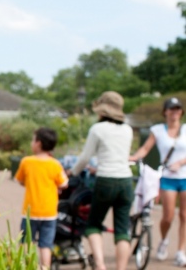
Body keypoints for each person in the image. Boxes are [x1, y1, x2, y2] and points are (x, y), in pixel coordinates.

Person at [69, 91, 133, 270]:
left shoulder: (98, 129)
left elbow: (85, 157)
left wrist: (72, 172)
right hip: (126, 181)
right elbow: (120, 157)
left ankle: (100, 265)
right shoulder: (127, 129)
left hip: (105, 181)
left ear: (102, 110)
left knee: (93, 225)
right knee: (122, 230)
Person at [130, 97, 186, 266]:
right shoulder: (158, 130)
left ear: (181, 112)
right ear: (165, 112)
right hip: (168, 177)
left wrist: (181, 162)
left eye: (177, 109)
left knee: (184, 215)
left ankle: (181, 251)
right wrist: (133, 157)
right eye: (171, 109)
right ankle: (164, 240)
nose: (174, 112)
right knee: (168, 216)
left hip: (184, 175)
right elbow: (146, 148)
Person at [15, 127, 68, 268]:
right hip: (49, 212)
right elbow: (64, 183)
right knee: (46, 245)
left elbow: (20, 180)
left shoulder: (26, 162)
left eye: (33, 140)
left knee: (26, 242)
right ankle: (45, 267)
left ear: (38, 143)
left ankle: (26, 266)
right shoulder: (55, 164)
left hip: (29, 212)